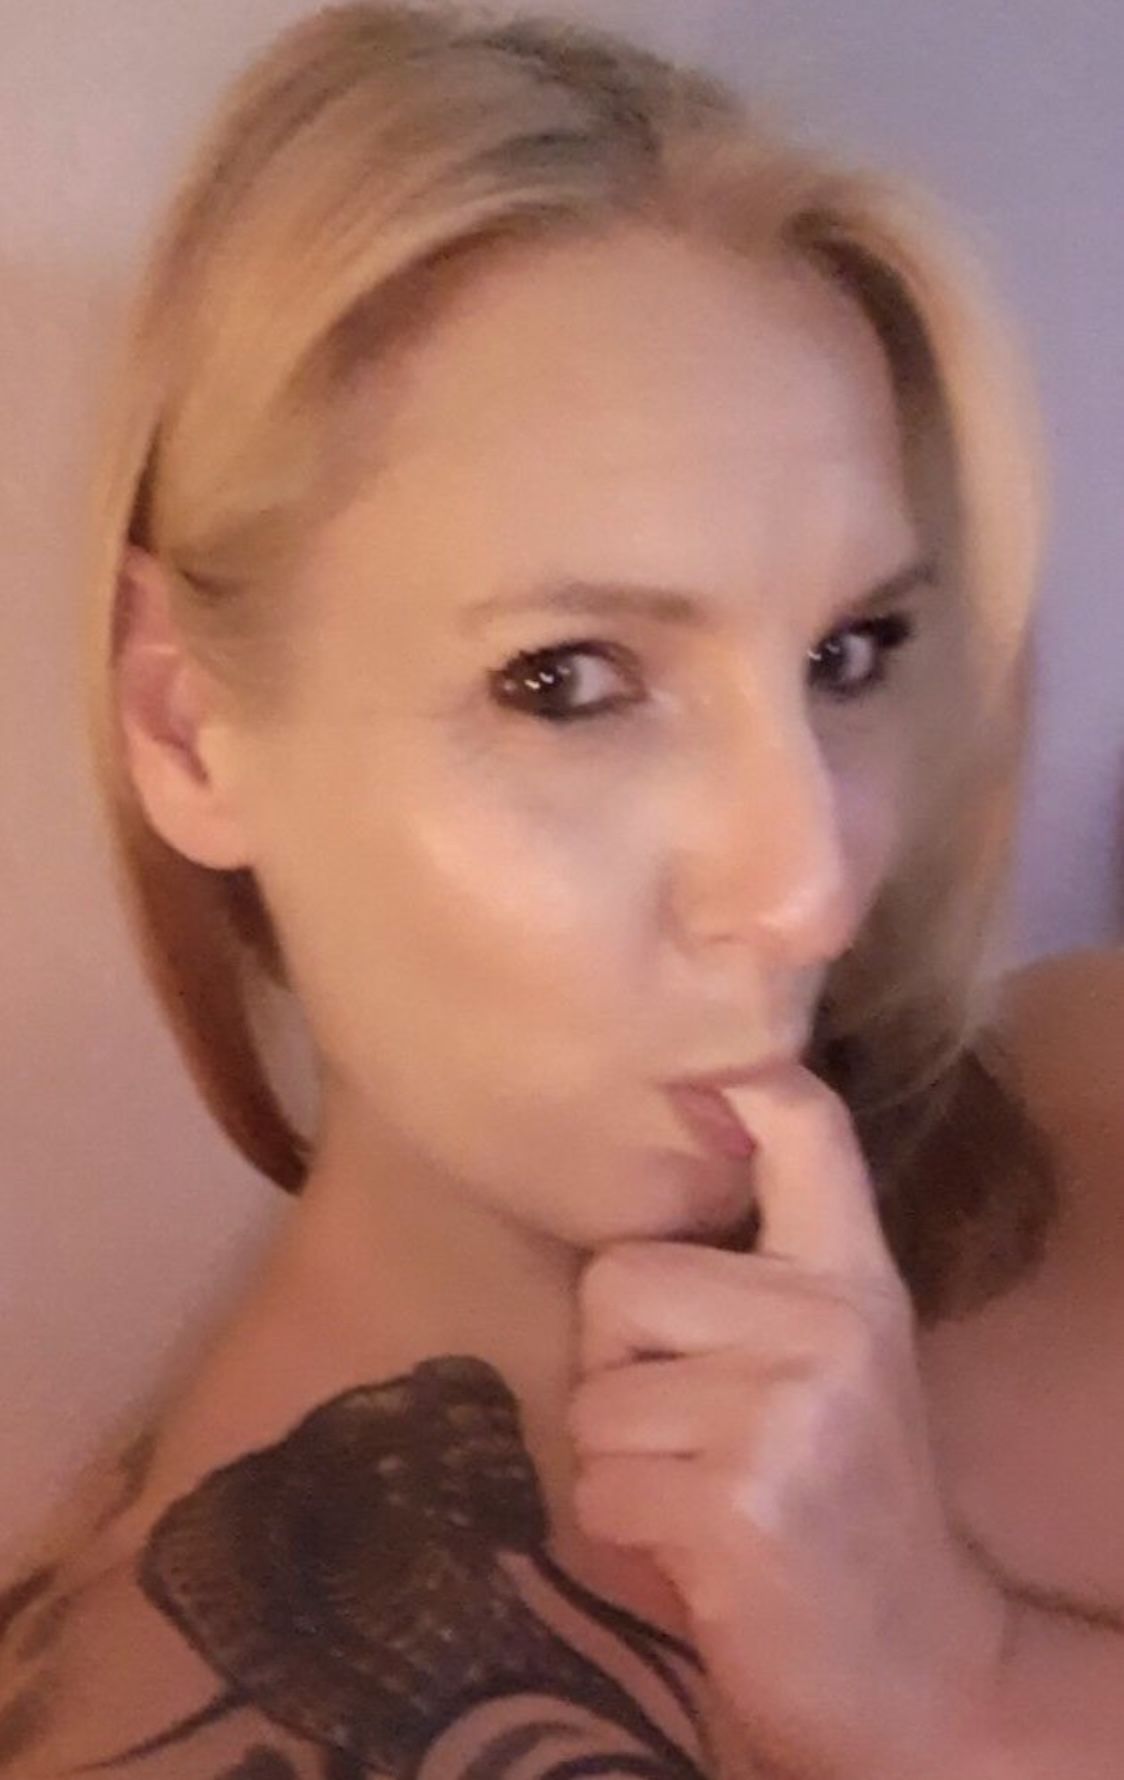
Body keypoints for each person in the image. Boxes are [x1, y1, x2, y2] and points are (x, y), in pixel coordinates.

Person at [1, 3, 1121, 1774]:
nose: (811, 894)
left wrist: (965, 1683)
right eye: (568, 683)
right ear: (189, 726)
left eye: (845, 654)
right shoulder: (159, 1716)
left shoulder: (1088, 1093)